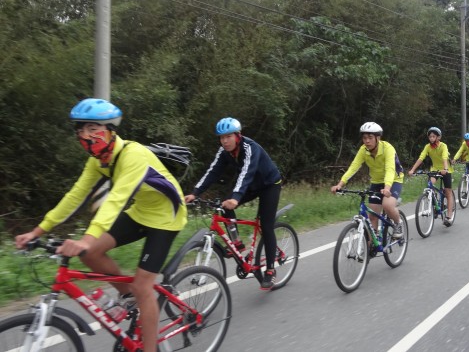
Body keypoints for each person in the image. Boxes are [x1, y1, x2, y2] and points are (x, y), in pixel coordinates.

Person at [14, 98, 187, 352]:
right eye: (81, 130)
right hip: (141, 212)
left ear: (110, 130)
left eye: (93, 129)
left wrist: (86, 237)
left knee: (143, 286)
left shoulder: (134, 154)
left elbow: (115, 200)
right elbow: (74, 197)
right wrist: (37, 231)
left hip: (166, 216)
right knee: (92, 252)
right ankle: (130, 298)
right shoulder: (98, 160)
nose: (86, 135)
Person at [185, 117, 282, 290]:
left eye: (228, 136)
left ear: (238, 136)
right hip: (252, 186)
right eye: (221, 138)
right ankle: (237, 243)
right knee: (223, 206)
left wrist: (236, 197)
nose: (225, 141)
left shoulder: (250, 147)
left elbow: (247, 172)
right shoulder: (224, 152)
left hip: (269, 185)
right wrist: (195, 192)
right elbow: (212, 172)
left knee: (266, 226)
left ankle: (270, 270)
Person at [330, 122, 404, 240]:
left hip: (394, 180)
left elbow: (390, 169)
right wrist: (340, 184)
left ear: (378, 138)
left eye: (370, 138)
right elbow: (353, 167)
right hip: (376, 181)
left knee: (387, 205)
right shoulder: (363, 150)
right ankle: (371, 245)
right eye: (364, 138)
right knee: (372, 216)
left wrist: (387, 188)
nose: (367, 141)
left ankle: (398, 223)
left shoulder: (388, 148)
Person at [408, 127, 455, 227]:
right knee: (430, 185)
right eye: (430, 136)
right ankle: (434, 203)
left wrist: (445, 169)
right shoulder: (428, 147)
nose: (431, 138)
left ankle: (449, 215)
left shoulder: (443, 146)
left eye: (433, 136)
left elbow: (444, 158)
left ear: (438, 137)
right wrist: (412, 170)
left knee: (448, 191)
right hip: (434, 169)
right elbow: (421, 158)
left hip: (446, 170)